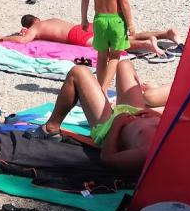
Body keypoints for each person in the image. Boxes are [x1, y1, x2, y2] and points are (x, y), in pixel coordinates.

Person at [36, 60, 165, 171]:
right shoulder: (176, 138)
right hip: (136, 113)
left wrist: (117, 124)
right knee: (125, 65)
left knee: (78, 71)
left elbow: (108, 159)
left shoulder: (146, 153)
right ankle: (103, 93)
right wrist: (154, 114)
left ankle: (50, 128)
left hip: (110, 128)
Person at [81, 0, 133, 93]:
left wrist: (84, 19)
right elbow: (124, 3)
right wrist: (130, 25)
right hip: (116, 20)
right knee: (115, 56)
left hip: (99, 20)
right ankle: (104, 89)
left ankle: (98, 87)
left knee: (102, 55)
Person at [0, 15, 178, 56]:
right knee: (122, 38)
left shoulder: (35, 28)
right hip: (83, 26)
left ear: (29, 25)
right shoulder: (50, 20)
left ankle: (146, 44)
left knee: (106, 46)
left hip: (76, 35)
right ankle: (164, 34)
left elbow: (22, 40)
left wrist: (3, 37)